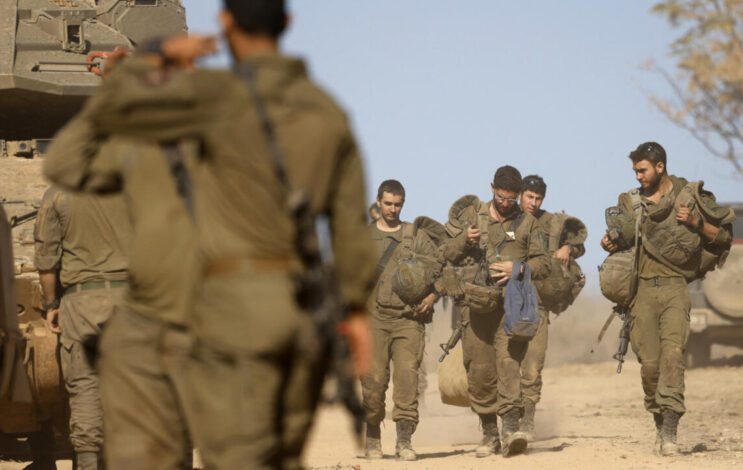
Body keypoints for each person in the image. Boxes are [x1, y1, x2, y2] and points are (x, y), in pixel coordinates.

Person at [44, 0, 376, 468]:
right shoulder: (325, 112)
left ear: (224, 23)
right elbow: (347, 224)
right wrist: (357, 309)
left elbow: (68, 163)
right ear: (288, 22)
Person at [600, 142, 733, 456]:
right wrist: (610, 241)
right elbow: (621, 235)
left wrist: (695, 223)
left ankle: (671, 431)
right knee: (650, 367)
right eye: (635, 172)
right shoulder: (630, 201)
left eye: (643, 170)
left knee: (673, 355)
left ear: (660, 167)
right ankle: (659, 419)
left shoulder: (689, 196)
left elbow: (724, 237)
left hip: (675, 288)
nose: (638, 177)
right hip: (642, 292)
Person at [440, 166, 550, 457]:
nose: (505, 204)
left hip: (511, 308)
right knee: (479, 371)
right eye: (501, 197)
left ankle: (511, 430)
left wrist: (520, 268)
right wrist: (465, 241)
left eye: (511, 199)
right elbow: (445, 253)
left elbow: (544, 264)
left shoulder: (527, 224)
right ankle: (489, 433)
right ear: (491, 188)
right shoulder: (470, 219)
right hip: (475, 309)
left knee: (510, 364)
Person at [33, 188, 131, 470]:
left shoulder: (59, 193)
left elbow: (46, 257)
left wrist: (51, 304)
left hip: (84, 302)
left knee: (86, 388)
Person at [362, 180, 442, 461]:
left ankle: (404, 441)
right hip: (374, 321)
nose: (392, 209)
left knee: (407, 379)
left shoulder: (415, 237)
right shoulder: (363, 237)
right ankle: (372, 436)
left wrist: (433, 296)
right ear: (379, 203)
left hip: (409, 321)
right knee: (373, 382)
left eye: (397, 204)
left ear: (402, 204)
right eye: (388, 204)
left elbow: (440, 270)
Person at [517, 174, 586, 438]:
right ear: (520, 194)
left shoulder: (551, 223)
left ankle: (528, 422)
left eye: (538, 198)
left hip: (538, 304)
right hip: (507, 303)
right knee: (507, 365)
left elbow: (579, 245)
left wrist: (569, 248)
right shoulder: (508, 220)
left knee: (533, 364)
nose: (533, 202)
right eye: (529, 196)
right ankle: (508, 420)